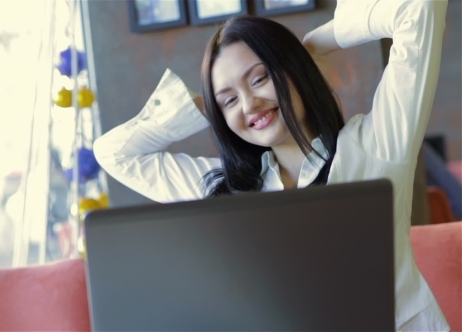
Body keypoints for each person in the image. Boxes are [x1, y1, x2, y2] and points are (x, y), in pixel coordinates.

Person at [93, 0, 449, 330]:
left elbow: (418, 9)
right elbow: (115, 155)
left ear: (291, 69)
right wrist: (205, 109)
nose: (249, 104)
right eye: (229, 99)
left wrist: (312, 47)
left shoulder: (374, 146)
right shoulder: (223, 190)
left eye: (260, 78)